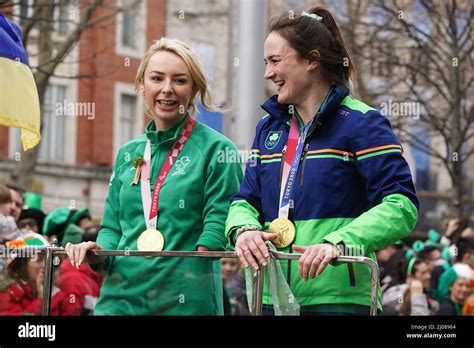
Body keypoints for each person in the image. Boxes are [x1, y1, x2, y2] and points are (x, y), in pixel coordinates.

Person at [225, 7, 419, 315]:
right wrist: (244, 229)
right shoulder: (269, 127)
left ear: (312, 60)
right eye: (265, 63)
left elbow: (401, 206)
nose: (267, 73)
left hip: (338, 300)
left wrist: (339, 243)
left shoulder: (362, 123)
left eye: (276, 61)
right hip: (269, 295)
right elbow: (244, 200)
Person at [65, 37, 243, 315]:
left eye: (180, 80)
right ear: (142, 85)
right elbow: (113, 228)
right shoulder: (128, 153)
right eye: (157, 78)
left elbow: (216, 228)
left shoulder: (218, 149)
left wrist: (185, 278)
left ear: (194, 88)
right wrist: (96, 253)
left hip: (184, 303)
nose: (167, 89)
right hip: (119, 303)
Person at [0, 232, 78, 315]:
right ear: (21, 264)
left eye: (48, 260)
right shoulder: (7, 293)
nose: (45, 265)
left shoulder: (58, 287)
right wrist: (42, 300)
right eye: (38, 260)